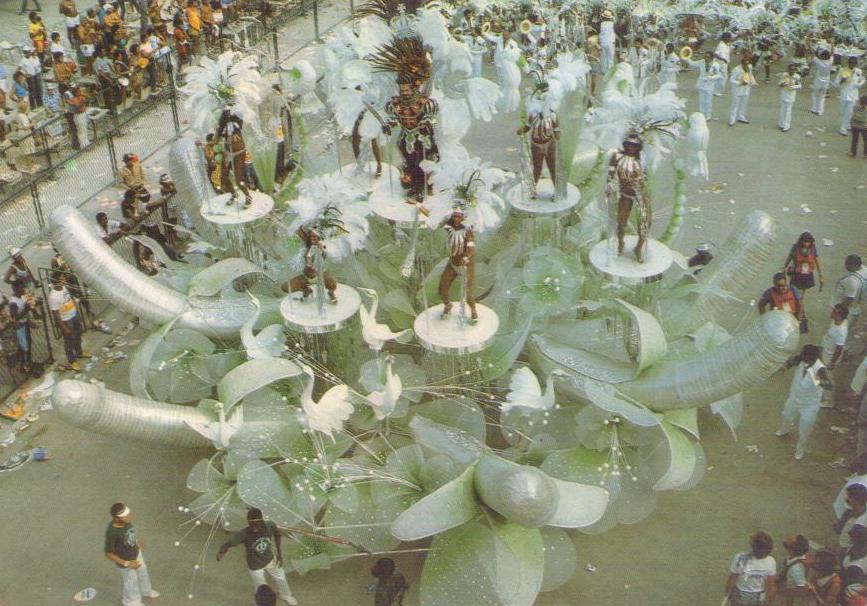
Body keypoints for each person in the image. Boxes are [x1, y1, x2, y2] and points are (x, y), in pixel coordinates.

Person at [216, 508, 298, 606]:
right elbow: (229, 543)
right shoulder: (244, 534)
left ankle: (285, 595)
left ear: (262, 520)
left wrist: (280, 555)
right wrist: (221, 552)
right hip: (255, 566)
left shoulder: (270, 525)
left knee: (281, 577)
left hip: (269, 560)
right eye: (251, 525)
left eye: (256, 524)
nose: (254, 527)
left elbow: (277, 535)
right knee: (261, 588)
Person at [775, 344, 833, 460]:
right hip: (794, 397)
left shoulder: (820, 368)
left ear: (812, 357)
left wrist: (817, 380)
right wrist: (784, 367)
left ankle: (800, 450)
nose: (802, 357)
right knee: (786, 414)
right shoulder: (801, 358)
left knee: (805, 428)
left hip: (809, 404)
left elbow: (829, 385)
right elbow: (791, 362)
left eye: (804, 356)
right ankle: (784, 430)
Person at [104, 502, 160, 606]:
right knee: (131, 582)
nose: (128, 516)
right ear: (116, 518)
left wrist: (137, 543)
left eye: (128, 513)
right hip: (126, 561)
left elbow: (129, 535)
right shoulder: (112, 533)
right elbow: (108, 553)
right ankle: (131, 602)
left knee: (143, 572)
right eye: (124, 516)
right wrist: (127, 563)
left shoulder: (126, 522)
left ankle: (146, 591)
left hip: (136, 554)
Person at [438, 206, 477, 322]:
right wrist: (418, 205)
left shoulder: (467, 231)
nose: (456, 219)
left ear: (463, 218)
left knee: (467, 292)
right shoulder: (449, 228)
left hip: (465, 266)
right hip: (452, 264)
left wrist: (466, 257)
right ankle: (448, 305)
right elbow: (432, 217)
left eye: (458, 217)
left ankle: (473, 310)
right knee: (442, 288)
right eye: (454, 216)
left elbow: (471, 249)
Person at [282, 227, 338, 304]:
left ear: (319, 237)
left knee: (332, 284)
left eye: (315, 236)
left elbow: (326, 253)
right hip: (307, 277)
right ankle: (306, 290)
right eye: (311, 236)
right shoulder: (307, 246)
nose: (312, 238)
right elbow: (300, 232)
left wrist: (321, 248)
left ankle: (331, 293)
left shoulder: (323, 246)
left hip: (322, 274)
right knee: (286, 287)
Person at [783, 232, 823, 332]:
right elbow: (790, 257)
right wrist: (784, 266)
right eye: (805, 241)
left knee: (800, 298)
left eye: (808, 242)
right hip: (796, 276)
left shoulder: (813, 249)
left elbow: (817, 260)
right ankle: (799, 319)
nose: (806, 244)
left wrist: (820, 275)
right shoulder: (795, 248)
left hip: (806, 276)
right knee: (798, 299)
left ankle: (799, 317)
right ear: (801, 241)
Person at [724, 531, 777, 605]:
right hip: (758, 595)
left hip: (740, 594)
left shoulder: (740, 557)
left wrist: (727, 592)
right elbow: (771, 586)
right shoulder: (771, 561)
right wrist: (769, 602)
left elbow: (732, 578)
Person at [48, 271, 86, 370]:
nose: (64, 279)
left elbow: (69, 299)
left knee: (78, 334)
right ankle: (72, 361)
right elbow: (56, 314)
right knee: (69, 341)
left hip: (74, 316)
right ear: (57, 281)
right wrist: (64, 327)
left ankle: (79, 352)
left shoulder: (64, 288)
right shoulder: (53, 297)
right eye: (62, 278)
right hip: (66, 321)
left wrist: (76, 310)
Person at [685, 51, 724, 120]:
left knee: (708, 101)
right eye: (705, 56)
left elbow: (719, 75)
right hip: (701, 84)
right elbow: (693, 63)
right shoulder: (702, 62)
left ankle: (708, 115)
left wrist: (711, 78)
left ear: (712, 58)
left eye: (708, 57)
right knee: (701, 101)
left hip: (710, 85)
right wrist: (686, 57)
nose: (706, 58)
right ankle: (701, 114)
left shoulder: (716, 65)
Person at [834, 255, 867, 331]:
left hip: (847, 311)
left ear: (854, 266)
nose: (845, 265)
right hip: (856, 307)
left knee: (838, 332)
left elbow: (849, 299)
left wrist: (838, 311)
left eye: (847, 264)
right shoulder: (864, 270)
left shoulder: (852, 280)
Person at [836, 56, 864, 136]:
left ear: (856, 64)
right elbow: (836, 83)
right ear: (848, 63)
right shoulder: (842, 70)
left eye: (853, 63)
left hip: (853, 95)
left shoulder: (858, 71)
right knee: (842, 112)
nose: (851, 65)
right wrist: (842, 81)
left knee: (849, 112)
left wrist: (858, 84)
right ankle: (846, 124)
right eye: (850, 63)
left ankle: (843, 128)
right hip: (844, 94)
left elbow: (862, 79)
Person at [779, 534, 811, 606]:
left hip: (792, 596)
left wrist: (786, 592)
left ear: (793, 550)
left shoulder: (796, 568)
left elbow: (802, 589)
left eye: (788, 547)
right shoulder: (793, 558)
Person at [835, 484, 867, 549]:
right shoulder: (849, 511)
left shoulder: (862, 522)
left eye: (850, 497)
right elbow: (838, 529)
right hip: (843, 546)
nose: (846, 499)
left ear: (858, 499)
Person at [729, 56, 756, 127]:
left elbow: (750, 75)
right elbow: (731, 79)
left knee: (744, 104)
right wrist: (740, 83)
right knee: (735, 105)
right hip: (737, 89)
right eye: (745, 64)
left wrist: (753, 82)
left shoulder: (749, 67)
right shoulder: (736, 69)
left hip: (746, 89)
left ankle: (741, 117)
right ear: (742, 64)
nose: (746, 65)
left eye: (747, 64)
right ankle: (732, 119)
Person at [64, 84, 89, 149]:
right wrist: (81, 101)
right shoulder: (74, 99)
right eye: (77, 91)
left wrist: (82, 96)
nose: (79, 92)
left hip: (82, 115)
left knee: (84, 130)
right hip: (78, 116)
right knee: (80, 132)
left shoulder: (81, 97)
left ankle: (86, 144)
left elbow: (87, 96)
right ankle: (83, 146)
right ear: (75, 92)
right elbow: (76, 105)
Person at [779, 63, 801, 133]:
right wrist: (782, 84)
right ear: (788, 70)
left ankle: (787, 126)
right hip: (784, 94)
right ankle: (781, 124)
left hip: (791, 95)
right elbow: (779, 83)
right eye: (790, 70)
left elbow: (799, 85)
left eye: (793, 70)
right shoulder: (784, 75)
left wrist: (793, 86)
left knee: (788, 111)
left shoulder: (797, 77)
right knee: (783, 110)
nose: (792, 71)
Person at [810, 48, 834, 116]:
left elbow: (813, 54)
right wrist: (832, 45)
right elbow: (832, 54)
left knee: (815, 95)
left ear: (823, 56)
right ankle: (820, 111)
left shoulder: (818, 62)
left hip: (818, 80)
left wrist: (809, 45)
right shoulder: (830, 62)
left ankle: (814, 108)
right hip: (826, 81)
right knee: (822, 96)